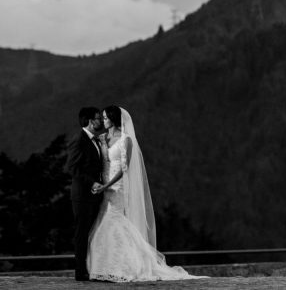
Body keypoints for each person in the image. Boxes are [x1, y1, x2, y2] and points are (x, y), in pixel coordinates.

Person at [86, 105, 206, 282]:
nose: (103, 120)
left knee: (113, 222)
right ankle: (108, 267)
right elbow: (104, 162)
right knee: (106, 223)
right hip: (104, 185)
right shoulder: (105, 138)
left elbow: (124, 169)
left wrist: (107, 186)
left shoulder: (126, 140)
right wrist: (100, 182)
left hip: (117, 187)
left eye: (105, 117)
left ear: (113, 118)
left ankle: (125, 266)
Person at [66, 107, 105, 281]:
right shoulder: (79, 139)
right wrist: (92, 182)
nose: (101, 121)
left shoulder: (95, 140)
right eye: (98, 118)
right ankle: (80, 271)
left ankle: (92, 267)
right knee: (82, 233)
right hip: (82, 195)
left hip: (95, 195)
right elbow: (73, 168)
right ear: (90, 121)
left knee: (93, 232)